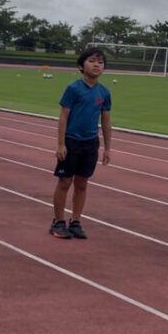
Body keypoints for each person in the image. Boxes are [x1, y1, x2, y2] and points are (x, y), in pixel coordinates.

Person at [49, 47, 113, 239]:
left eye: (100, 62)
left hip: (90, 143)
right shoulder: (73, 88)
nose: (96, 65)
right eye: (92, 60)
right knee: (64, 182)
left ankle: (75, 221)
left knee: (82, 184)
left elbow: (107, 121)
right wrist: (61, 144)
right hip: (71, 141)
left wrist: (108, 148)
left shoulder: (104, 92)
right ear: (81, 65)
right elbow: (63, 117)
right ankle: (58, 221)